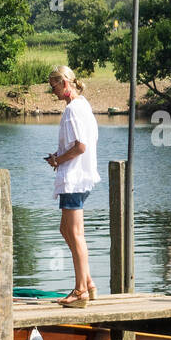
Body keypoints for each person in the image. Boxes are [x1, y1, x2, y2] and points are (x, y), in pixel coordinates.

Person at [45, 64, 101, 308]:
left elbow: (80, 147)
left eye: (54, 86)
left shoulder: (73, 109)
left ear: (65, 83)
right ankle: (88, 282)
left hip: (74, 178)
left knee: (75, 234)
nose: (53, 91)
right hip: (80, 177)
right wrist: (58, 155)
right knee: (66, 230)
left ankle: (80, 290)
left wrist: (58, 159)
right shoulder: (82, 105)